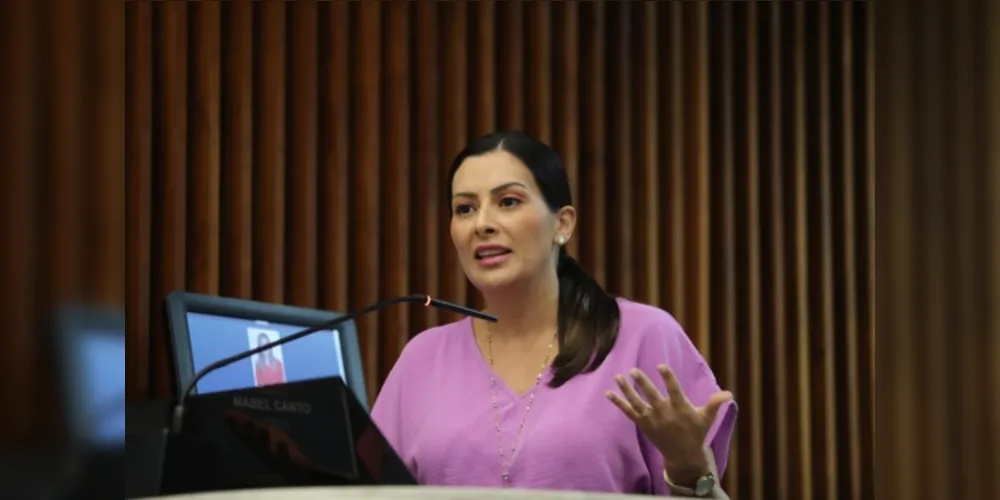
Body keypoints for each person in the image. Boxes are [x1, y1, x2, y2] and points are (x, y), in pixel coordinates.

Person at [371, 131, 737, 497]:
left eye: (508, 201)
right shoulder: (421, 359)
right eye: (465, 208)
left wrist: (691, 468)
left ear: (562, 224)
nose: (482, 223)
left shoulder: (643, 335)